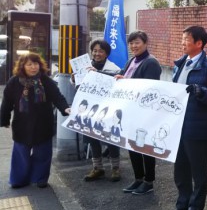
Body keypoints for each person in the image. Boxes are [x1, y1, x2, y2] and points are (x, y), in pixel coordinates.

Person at [166, 26, 207, 210]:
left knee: (198, 170)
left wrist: (201, 92)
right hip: (178, 125)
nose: (182, 43)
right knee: (180, 168)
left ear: (199, 43)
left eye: (186, 40)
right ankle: (182, 204)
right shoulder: (180, 63)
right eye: (182, 39)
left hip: (196, 127)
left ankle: (195, 208)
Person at [1, 53, 71, 188]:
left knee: (43, 152)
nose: (33, 67)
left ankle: (40, 178)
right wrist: (4, 119)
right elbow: (7, 103)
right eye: (29, 64)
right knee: (21, 153)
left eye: (36, 64)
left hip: (43, 122)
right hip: (22, 123)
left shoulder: (46, 81)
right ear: (23, 66)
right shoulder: (14, 82)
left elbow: (57, 97)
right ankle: (18, 179)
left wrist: (65, 108)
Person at [115, 30, 162, 195]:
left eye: (137, 42)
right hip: (130, 112)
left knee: (145, 147)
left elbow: (149, 88)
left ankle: (148, 181)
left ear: (145, 43)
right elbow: (120, 77)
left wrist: (126, 82)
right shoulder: (131, 61)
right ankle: (138, 179)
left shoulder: (151, 63)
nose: (134, 46)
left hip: (144, 113)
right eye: (131, 43)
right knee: (132, 146)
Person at [81, 39, 122, 182]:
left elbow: (117, 85)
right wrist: (75, 79)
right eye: (95, 50)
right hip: (91, 109)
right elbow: (79, 88)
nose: (97, 53)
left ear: (106, 54)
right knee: (93, 137)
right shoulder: (84, 67)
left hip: (108, 108)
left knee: (110, 138)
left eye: (101, 51)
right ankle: (97, 168)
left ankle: (115, 168)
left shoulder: (114, 68)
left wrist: (97, 73)